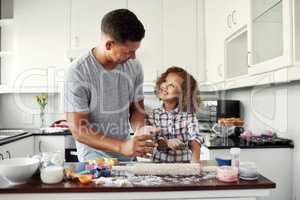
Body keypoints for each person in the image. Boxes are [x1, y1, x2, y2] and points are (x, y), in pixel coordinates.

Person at [64, 9, 159, 162]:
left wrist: (140, 132)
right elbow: (79, 130)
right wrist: (122, 146)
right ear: (109, 45)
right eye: (129, 51)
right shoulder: (78, 72)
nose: (133, 56)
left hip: (127, 155)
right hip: (94, 159)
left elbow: (136, 109)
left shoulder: (134, 66)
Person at [146, 67, 204, 163]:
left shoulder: (188, 116)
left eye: (171, 85)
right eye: (164, 81)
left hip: (183, 167)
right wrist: (166, 143)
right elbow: (155, 141)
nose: (164, 86)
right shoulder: (152, 115)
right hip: (158, 167)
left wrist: (195, 164)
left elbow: (195, 139)